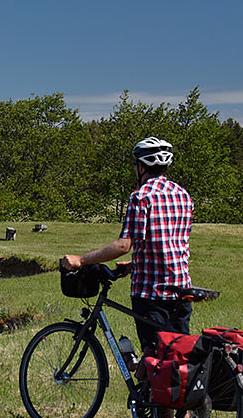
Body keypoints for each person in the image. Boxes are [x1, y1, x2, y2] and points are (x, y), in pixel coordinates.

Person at [60, 137, 193, 355]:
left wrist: (80, 259)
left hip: (152, 294)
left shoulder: (141, 196)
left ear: (141, 166)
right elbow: (170, 244)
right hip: (181, 290)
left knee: (155, 360)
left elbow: (123, 245)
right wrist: (134, 265)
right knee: (177, 358)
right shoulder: (183, 195)